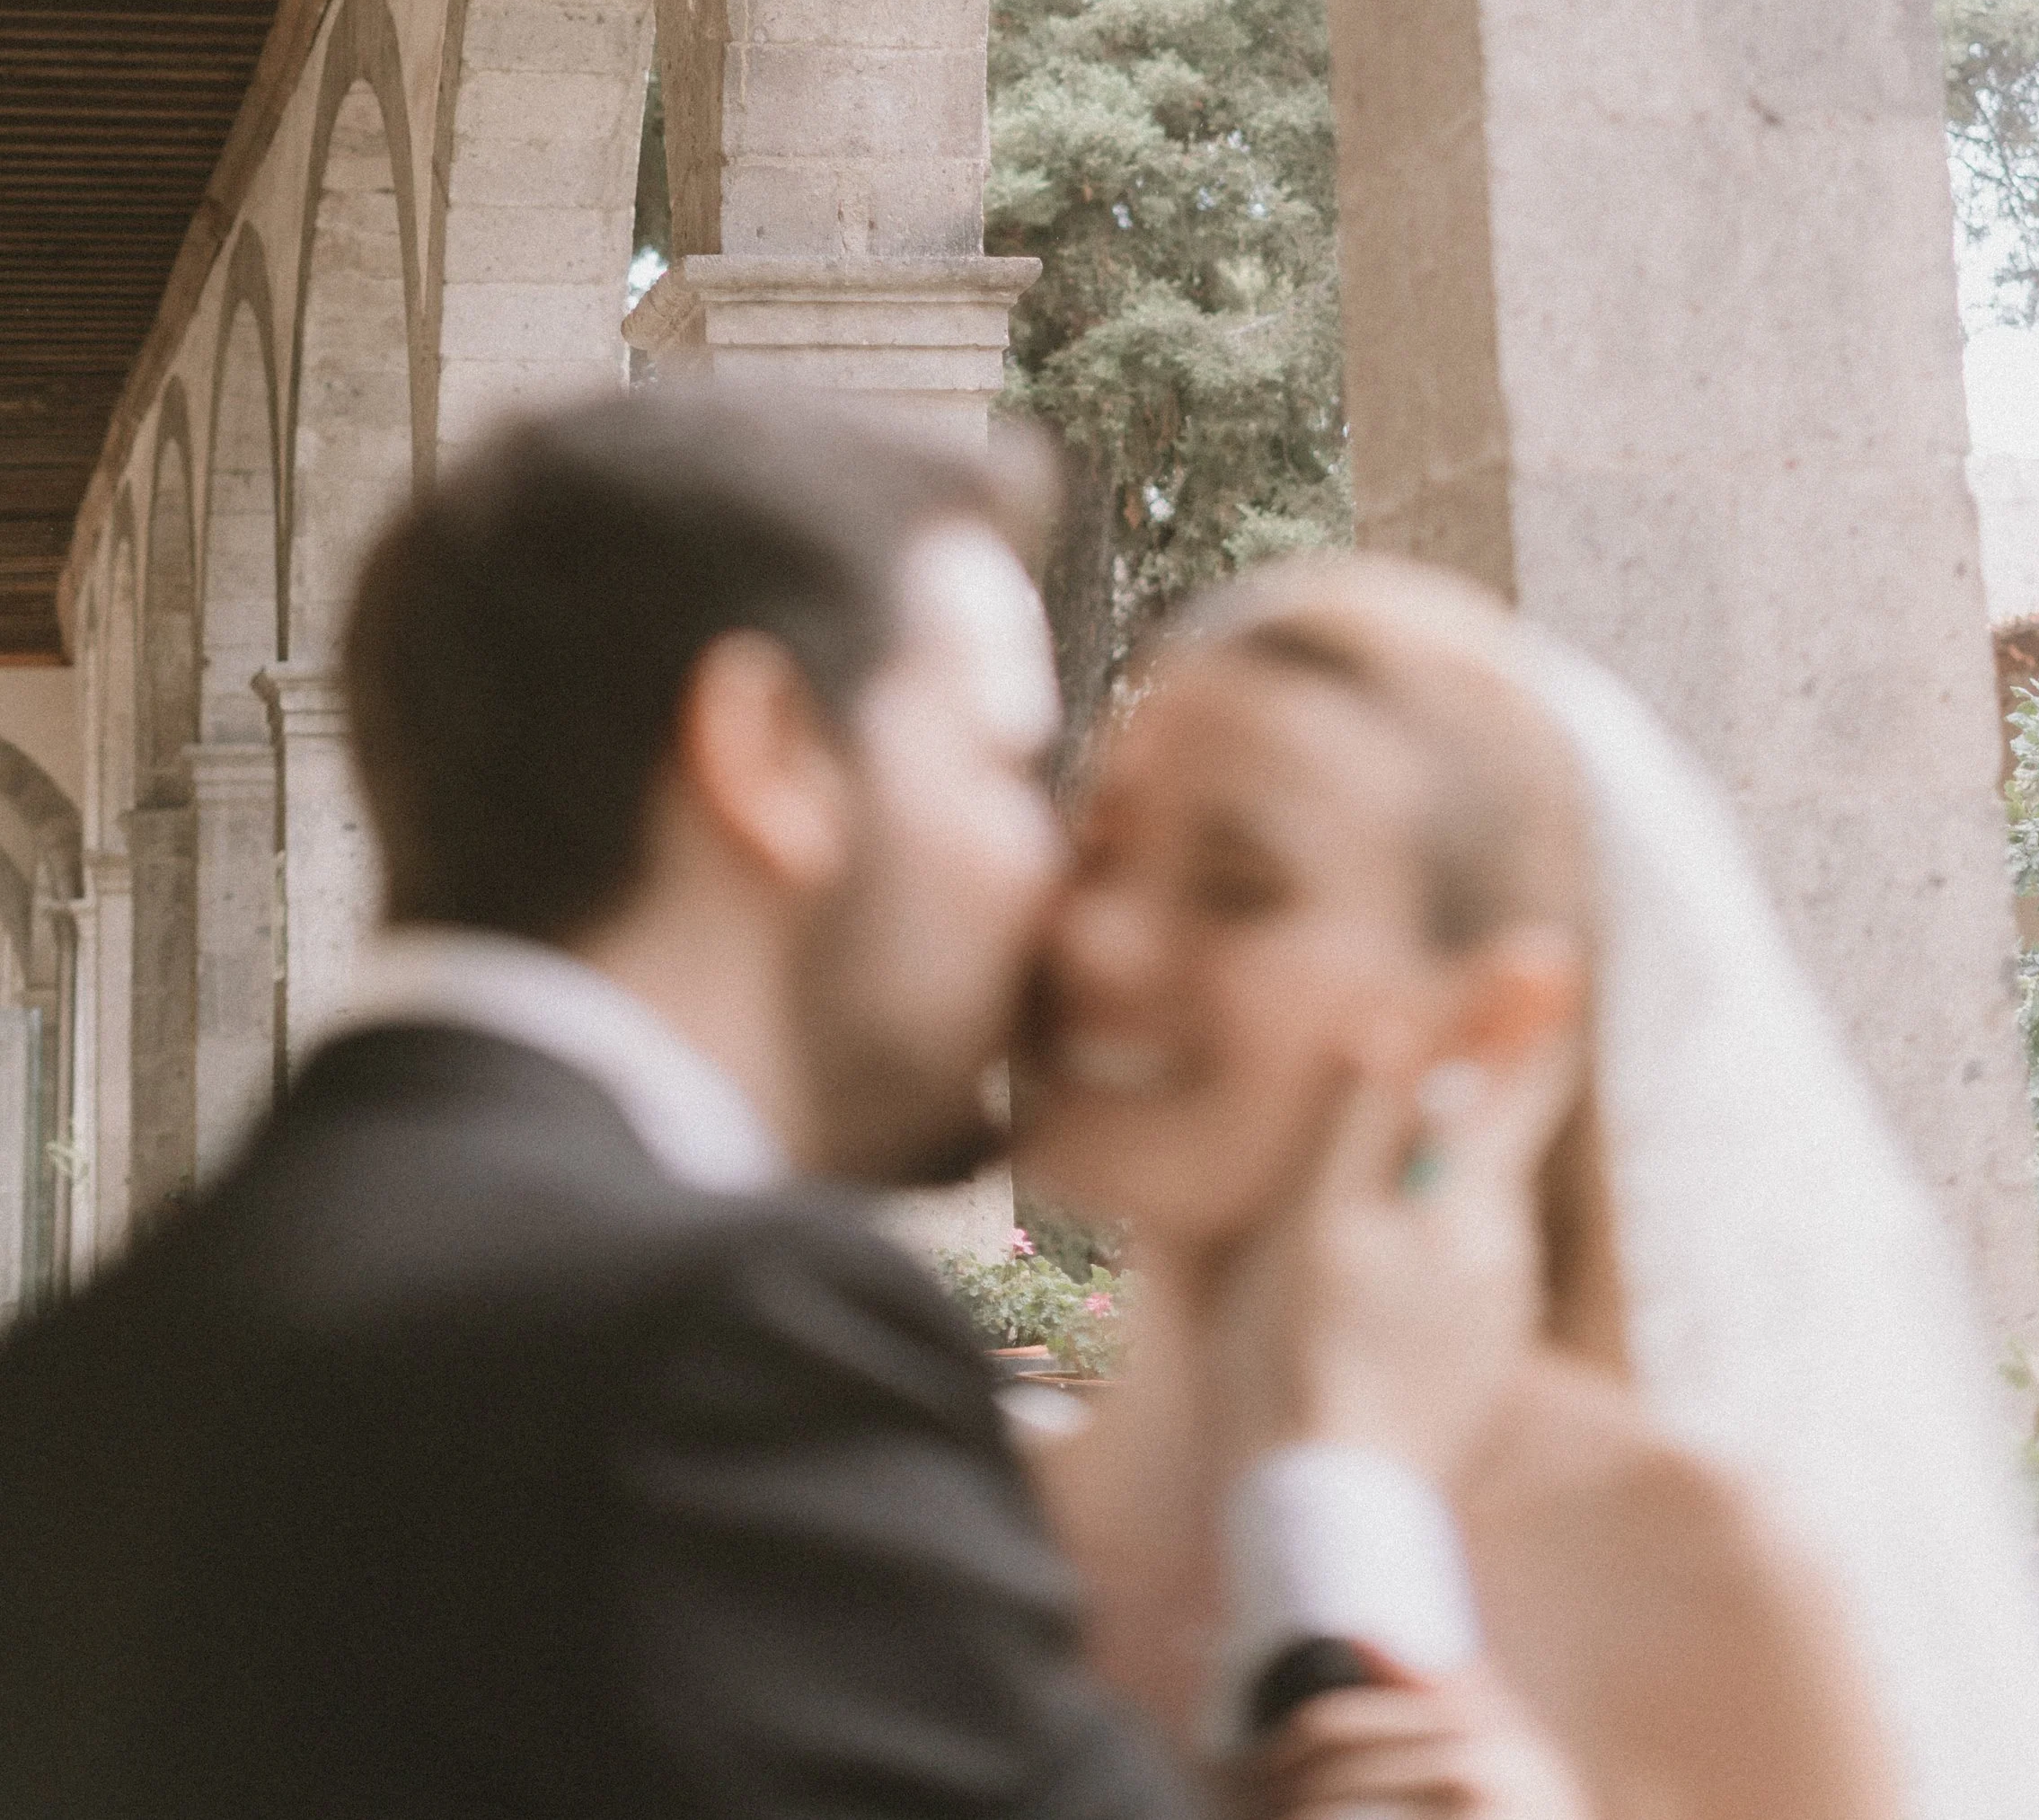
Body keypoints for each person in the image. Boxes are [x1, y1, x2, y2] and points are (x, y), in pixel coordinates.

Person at [0, 394, 1558, 1819]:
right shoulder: (715, 1351)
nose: (1062, 896)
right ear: (770, 755)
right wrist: (1349, 1505)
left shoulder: (71, 1386)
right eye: (1013, 768)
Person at [1015, 553, 2039, 1820]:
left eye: (1238, 888)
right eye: (1099, 850)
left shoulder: (1688, 1570)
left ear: (1495, 1019)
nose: (1096, 940)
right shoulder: (946, 1524)